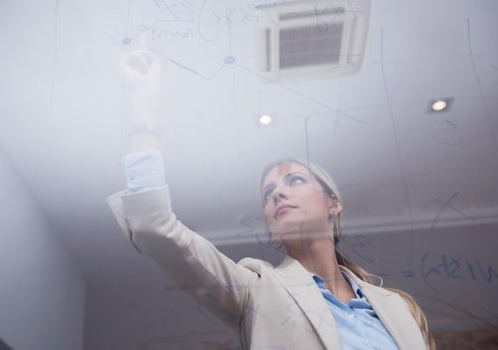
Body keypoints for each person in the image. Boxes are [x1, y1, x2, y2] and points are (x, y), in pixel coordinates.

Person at [107, 50, 436, 350]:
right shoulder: (256, 290)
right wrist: (143, 104)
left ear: (333, 204)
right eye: (268, 193)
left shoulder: (400, 308)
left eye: (295, 180)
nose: (278, 193)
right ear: (272, 229)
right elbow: (155, 227)